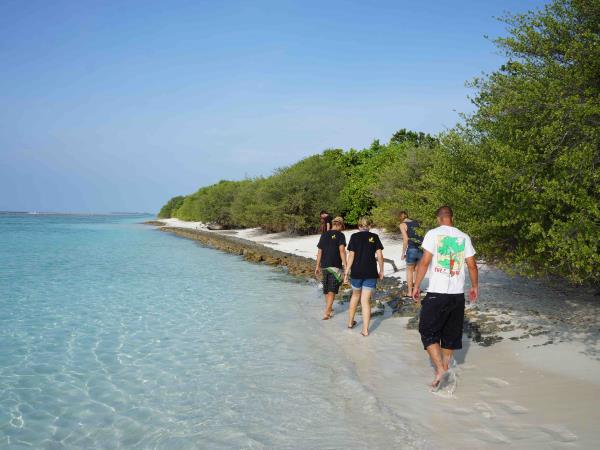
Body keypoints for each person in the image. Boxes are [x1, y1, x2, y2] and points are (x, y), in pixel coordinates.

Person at [412, 206, 478, 388]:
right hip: (457, 295)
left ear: (438, 218)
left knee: (427, 331)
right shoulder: (464, 237)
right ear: (452, 218)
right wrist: (474, 287)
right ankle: (446, 367)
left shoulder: (433, 234)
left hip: (437, 293)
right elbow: (472, 265)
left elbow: (425, 262)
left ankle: (440, 368)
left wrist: (416, 285)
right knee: (450, 334)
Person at [344, 217, 384, 336]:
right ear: (369, 226)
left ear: (359, 226)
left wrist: (346, 272)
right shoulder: (375, 237)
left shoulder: (354, 237)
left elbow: (351, 255)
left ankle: (350, 323)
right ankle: (365, 330)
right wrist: (381, 270)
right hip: (371, 271)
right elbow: (380, 255)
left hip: (356, 271)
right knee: (365, 301)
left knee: (355, 296)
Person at [315, 217, 347, 320]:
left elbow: (319, 251)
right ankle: (327, 312)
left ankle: (329, 308)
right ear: (341, 225)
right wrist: (346, 265)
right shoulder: (341, 235)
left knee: (326, 289)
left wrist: (317, 266)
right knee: (332, 289)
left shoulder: (324, 235)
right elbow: (342, 251)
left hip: (324, 265)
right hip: (335, 265)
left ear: (333, 224)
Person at [399, 211, 423, 298]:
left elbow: (405, 239)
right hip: (420, 249)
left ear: (400, 218)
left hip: (411, 249)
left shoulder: (402, 225)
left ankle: (409, 292)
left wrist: (403, 253)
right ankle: (417, 291)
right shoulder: (417, 223)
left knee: (409, 271)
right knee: (417, 270)